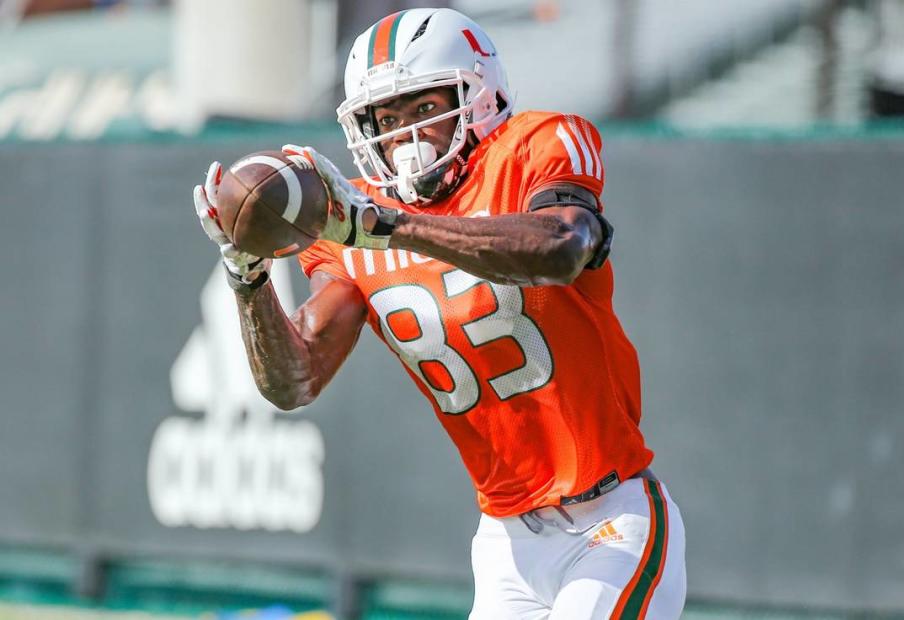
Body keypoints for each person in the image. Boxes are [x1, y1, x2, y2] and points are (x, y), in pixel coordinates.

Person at [193, 7, 686, 618]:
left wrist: (391, 227)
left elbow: (562, 247)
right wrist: (248, 275)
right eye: (388, 119)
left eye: (425, 110)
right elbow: (297, 378)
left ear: (480, 95)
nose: (404, 136)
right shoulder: (356, 223)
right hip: (505, 542)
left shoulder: (536, 144)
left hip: (610, 524)